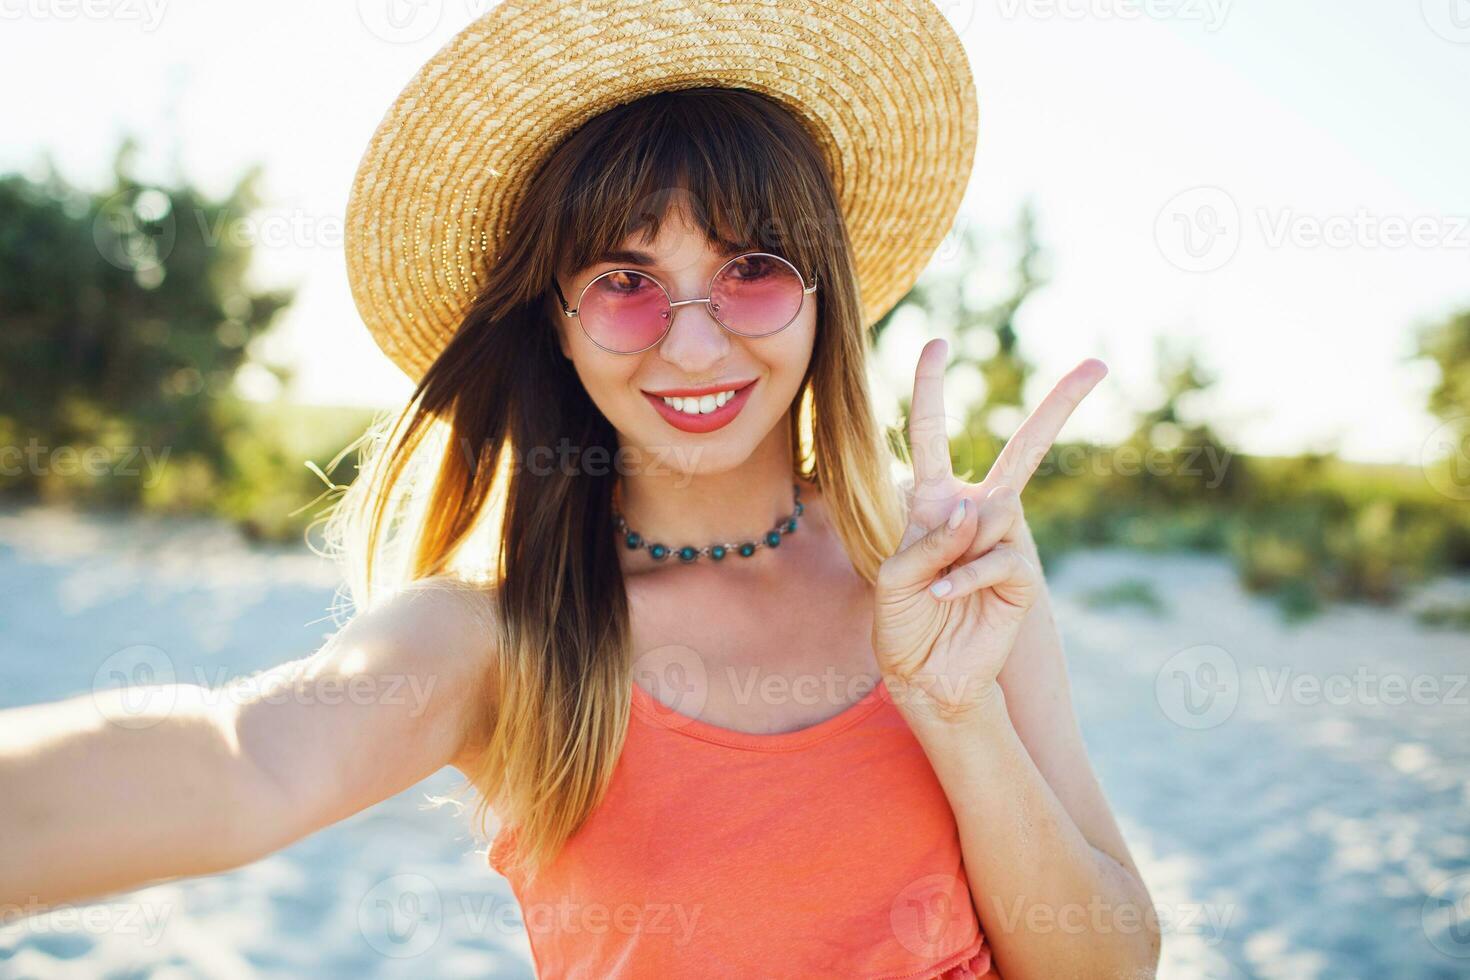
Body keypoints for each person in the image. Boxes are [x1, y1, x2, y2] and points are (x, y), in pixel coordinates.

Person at [1, 1, 1159, 976]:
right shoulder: (505, 635)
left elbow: (1109, 957)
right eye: (625, 282)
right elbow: (240, 758)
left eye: (752, 272)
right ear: (555, 323)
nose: (695, 347)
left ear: (823, 299)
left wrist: (960, 718)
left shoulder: (948, 568)